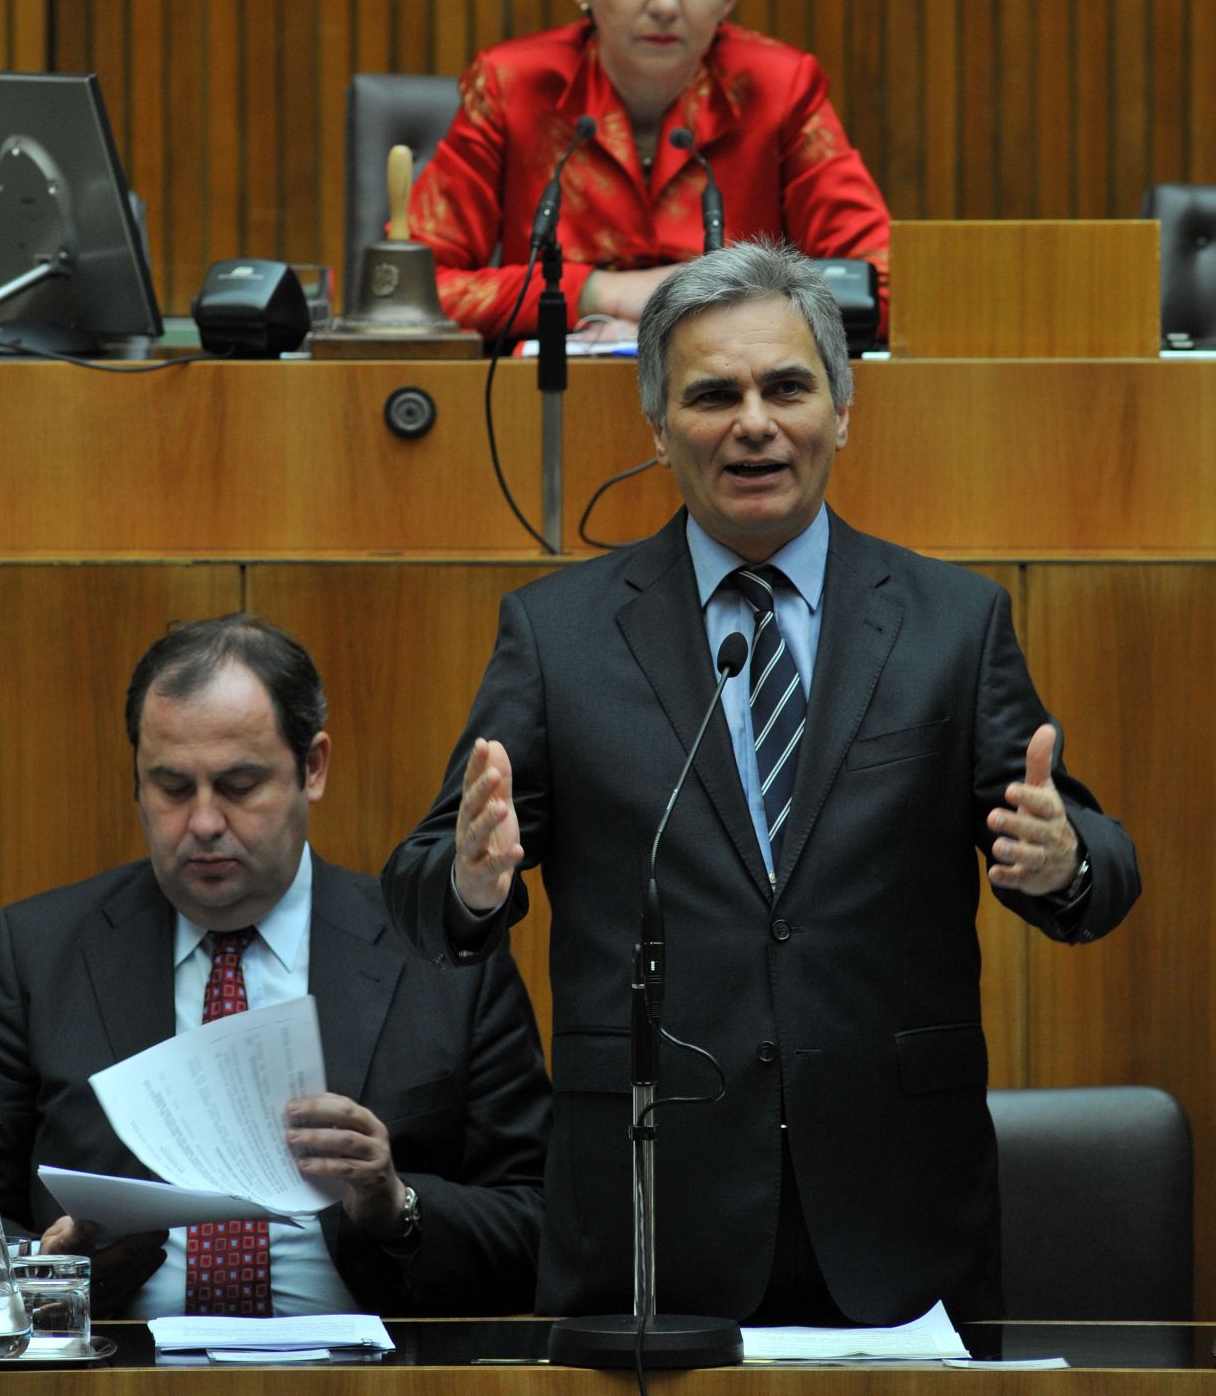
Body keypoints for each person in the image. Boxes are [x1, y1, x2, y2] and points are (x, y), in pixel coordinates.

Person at [382, 241, 1141, 1327]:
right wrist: (469, 880)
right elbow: (421, 890)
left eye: (788, 386)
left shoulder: (951, 626)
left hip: (896, 1206)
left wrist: (1064, 861)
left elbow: (1103, 869)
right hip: (649, 1215)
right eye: (712, 393)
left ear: (843, 407)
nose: (754, 421)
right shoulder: (560, 635)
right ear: (655, 427)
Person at [0, 615, 549, 1319]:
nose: (206, 822)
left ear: (313, 767)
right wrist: (52, 1268)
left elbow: (538, 1228)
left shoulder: (438, 956)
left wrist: (395, 1205)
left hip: (364, 1376)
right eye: (173, 788)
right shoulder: (42, 953)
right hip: (122, 1372)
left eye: (239, 785)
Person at [405, 0, 890, 343]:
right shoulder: (510, 87)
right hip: (553, 405)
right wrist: (600, 294)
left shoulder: (781, 89)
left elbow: (881, 286)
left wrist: (708, 308)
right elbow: (405, 295)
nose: (664, 3)